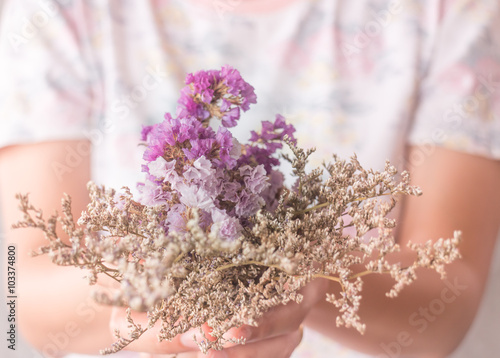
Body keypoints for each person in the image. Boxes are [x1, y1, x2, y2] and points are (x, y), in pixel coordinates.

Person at [1, 0, 499, 357]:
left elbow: (445, 305)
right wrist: (161, 308)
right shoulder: (58, 12)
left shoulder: (450, 12)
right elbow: (22, 284)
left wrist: (307, 279)